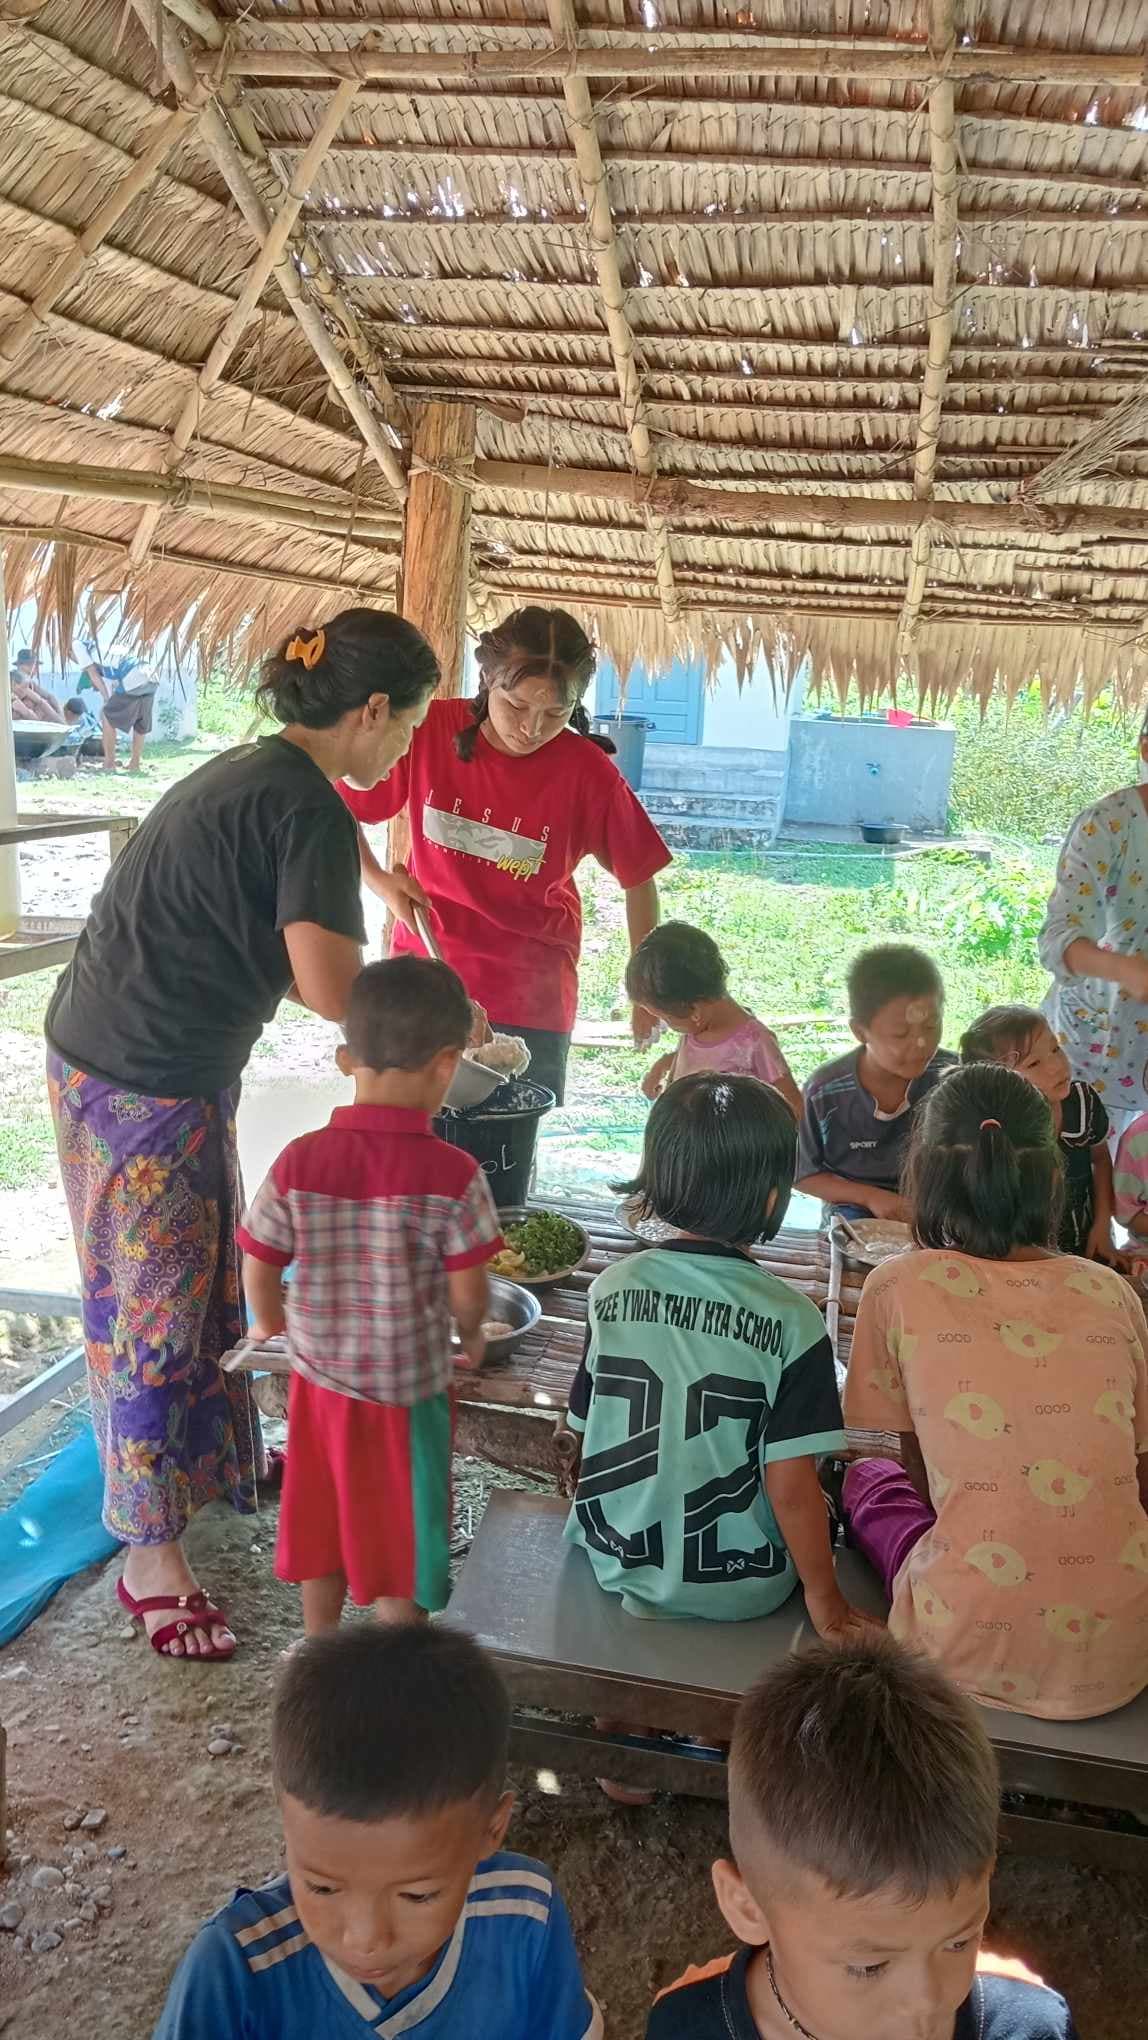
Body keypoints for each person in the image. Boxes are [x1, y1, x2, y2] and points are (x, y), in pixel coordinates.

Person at [45, 610, 440, 1663]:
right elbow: (329, 992)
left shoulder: (269, 770)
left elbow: (315, 830)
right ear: (367, 713)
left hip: (109, 1046)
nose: (403, 749)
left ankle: (211, 1470)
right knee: (155, 1314)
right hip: (145, 1075)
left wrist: (374, 878)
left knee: (212, 1274)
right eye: (403, 730)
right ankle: (148, 1554)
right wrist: (442, 1030)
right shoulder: (303, 811)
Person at [842, 1062, 1148, 1719]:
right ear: (1050, 1176)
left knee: (868, 1480)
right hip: (1125, 1648)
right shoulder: (1112, 1293)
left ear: (925, 1172)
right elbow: (1136, 1471)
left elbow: (923, 1480)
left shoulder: (897, 1286)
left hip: (965, 1646)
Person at [153, 1623, 602, 2039]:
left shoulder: (526, 1913)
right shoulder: (232, 1969)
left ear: (493, 1829)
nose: (365, 1940)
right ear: (286, 1822)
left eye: (417, 1896)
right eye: (322, 1887)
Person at [239, 956, 503, 1634]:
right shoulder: (454, 1173)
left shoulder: (301, 1158)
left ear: (342, 1058)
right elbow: (470, 1293)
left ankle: (320, 1646)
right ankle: (398, 1654)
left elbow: (260, 1255)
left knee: (322, 1518)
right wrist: (471, 1334)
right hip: (407, 1395)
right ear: (447, 1065)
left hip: (320, 1387)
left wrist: (268, 1318)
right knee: (403, 1532)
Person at [646, 1638, 1079, 2040]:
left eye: (959, 1941)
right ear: (747, 1907)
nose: (927, 2003)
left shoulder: (1031, 2026)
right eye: (869, 1967)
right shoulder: (687, 2025)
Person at [565, 1072, 873, 1636]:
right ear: (774, 1197)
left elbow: (584, 1429)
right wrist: (826, 1599)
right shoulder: (793, 1322)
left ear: (654, 1181)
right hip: (741, 1584)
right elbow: (792, 1486)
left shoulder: (608, 1289)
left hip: (614, 1557)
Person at [338, 605, 672, 1104]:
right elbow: (338, 809)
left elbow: (639, 878)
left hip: (530, 993)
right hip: (427, 976)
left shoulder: (586, 773)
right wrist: (380, 882)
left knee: (503, 1156)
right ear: (487, 681)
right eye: (516, 706)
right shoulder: (427, 731)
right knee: (411, 1141)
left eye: (555, 714)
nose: (532, 728)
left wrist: (645, 988)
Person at [1039, 712, 1148, 1135]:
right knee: (1088, 1182)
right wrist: (1128, 969)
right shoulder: (1109, 824)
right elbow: (1057, 940)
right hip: (1096, 1055)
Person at [796, 943, 955, 1220]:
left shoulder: (954, 1078)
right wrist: (871, 1197)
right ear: (860, 1031)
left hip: (936, 1206)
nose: (921, 1044)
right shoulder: (825, 1093)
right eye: (900, 1034)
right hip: (856, 1206)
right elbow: (802, 1173)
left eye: (931, 1027)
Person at [960, 1004, 1116, 1261]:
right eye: (1034, 1063)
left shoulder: (1083, 1103)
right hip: (1016, 1257)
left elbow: (1099, 1159)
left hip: (1084, 1246)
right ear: (997, 1084)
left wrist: (1102, 1226)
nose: (1057, 1066)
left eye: (1055, 1049)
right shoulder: (993, 1131)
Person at [625, 920, 802, 1119]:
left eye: (666, 1018)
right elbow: (702, 1060)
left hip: (728, 1147)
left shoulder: (754, 1042)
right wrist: (663, 1064)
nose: (667, 1024)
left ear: (695, 1012)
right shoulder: (695, 1029)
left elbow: (794, 1108)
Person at [80, 642, 159, 774]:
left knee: (107, 716)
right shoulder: (108, 654)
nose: (94, 688)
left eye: (93, 686)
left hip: (133, 676)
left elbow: (104, 692)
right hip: (152, 676)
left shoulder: (96, 666)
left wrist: (105, 703)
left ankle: (109, 764)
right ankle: (135, 763)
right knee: (140, 720)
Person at [10, 647, 65, 723]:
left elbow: (48, 697)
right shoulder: (12, 681)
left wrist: (60, 716)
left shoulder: (30, 682)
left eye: (35, 666)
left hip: (32, 720)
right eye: (31, 665)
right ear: (20, 665)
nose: (35, 669)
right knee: (29, 703)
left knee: (45, 704)